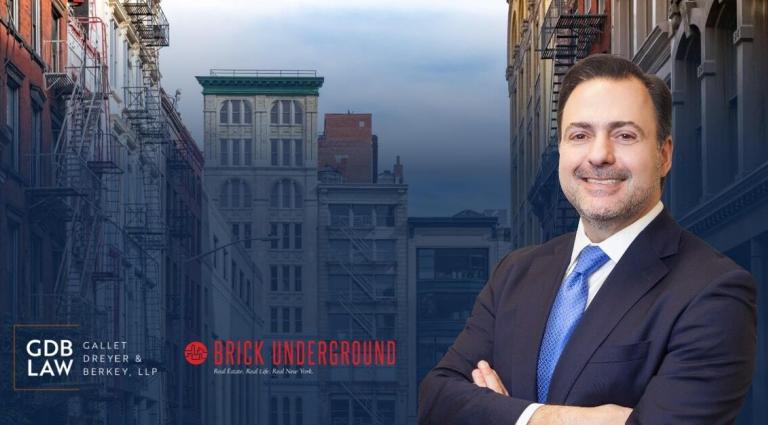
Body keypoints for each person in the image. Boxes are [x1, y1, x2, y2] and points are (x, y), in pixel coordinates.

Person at [418, 54, 757, 425]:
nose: (599, 156)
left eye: (625, 135)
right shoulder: (514, 273)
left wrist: (496, 412)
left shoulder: (715, 292)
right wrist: (545, 419)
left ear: (664, 155)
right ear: (562, 150)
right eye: (580, 135)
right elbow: (437, 399)